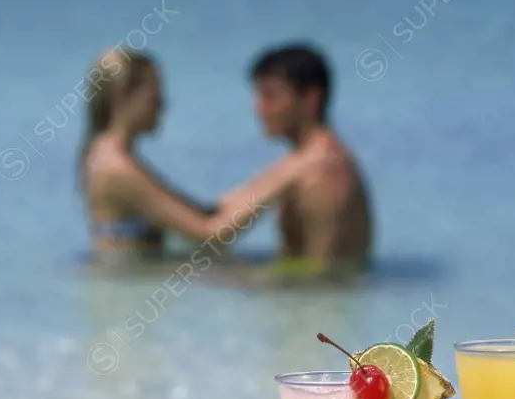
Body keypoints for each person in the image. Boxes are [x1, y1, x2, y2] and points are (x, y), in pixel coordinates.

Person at [79, 48, 334, 258]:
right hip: (122, 301)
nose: (163, 105)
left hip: (123, 292)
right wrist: (293, 171)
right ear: (124, 97)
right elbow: (209, 235)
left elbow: (202, 214)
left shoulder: (107, 156)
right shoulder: (116, 167)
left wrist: (282, 172)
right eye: (155, 96)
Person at [249, 44, 372, 265]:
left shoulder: (321, 173)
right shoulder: (307, 163)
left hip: (321, 298)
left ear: (311, 99)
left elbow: (324, 276)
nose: (258, 109)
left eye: (270, 97)